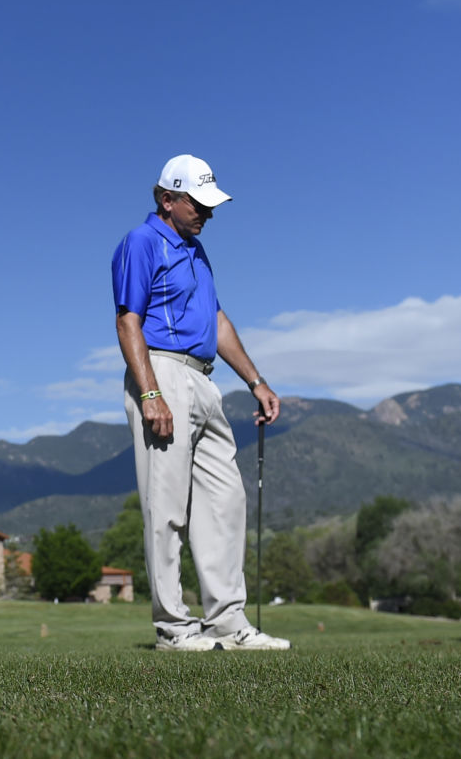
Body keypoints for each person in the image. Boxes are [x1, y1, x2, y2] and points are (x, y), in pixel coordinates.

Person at [111, 154, 289, 652]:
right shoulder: (142, 242)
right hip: (162, 372)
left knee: (225, 501)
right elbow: (128, 321)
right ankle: (174, 628)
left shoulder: (195, 250)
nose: (207, 213)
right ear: (167, 199)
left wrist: (256, 381)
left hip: (205, 381)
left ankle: (227, 623)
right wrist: (150, 393)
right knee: (166, 508)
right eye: (198, 203)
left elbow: (216, 320)